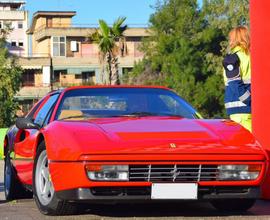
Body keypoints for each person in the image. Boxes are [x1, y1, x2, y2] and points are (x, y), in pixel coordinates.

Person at [223, 26, 251, 132]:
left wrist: (249, 101)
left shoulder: (232, 59)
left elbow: (234, 84)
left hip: (240, 110)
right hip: (249, 107)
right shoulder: (252, 56)